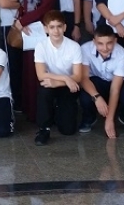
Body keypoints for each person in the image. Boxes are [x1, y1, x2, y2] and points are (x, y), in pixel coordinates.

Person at [12, 0, 60, 122]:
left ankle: (43, 114)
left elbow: (46, 6)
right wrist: (20, 20)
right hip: (29, 31)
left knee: (41, 69)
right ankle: (31, 111)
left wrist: (24, 21)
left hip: (43, 29)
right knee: (29, 69)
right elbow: (23, 3)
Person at [79, 24, 124, 138]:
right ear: (94, 42)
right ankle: (89, 117)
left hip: (116, 83)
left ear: (115, 41)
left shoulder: (121, 53)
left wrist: (109, 119)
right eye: (100, 43)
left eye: (109, 43)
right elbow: (84, 78)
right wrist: (97, 97)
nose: (105, 48)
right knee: (85, 97)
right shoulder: (85, 49)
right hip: (96, 82)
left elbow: (115, 89)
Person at [33, 11, 82, 146]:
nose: (56, 31)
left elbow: (78, 76)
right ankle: (44, 129)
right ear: (46, 29)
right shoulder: (41, 46)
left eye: (59, 26)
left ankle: (58, 113)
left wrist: (59, 82)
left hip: (67, 87)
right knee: (44, 90)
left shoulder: (74, 47)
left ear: (65, 27)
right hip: (52, 83)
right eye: (52, 27)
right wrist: (64, 78)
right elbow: (41, 75)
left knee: (68, 130)